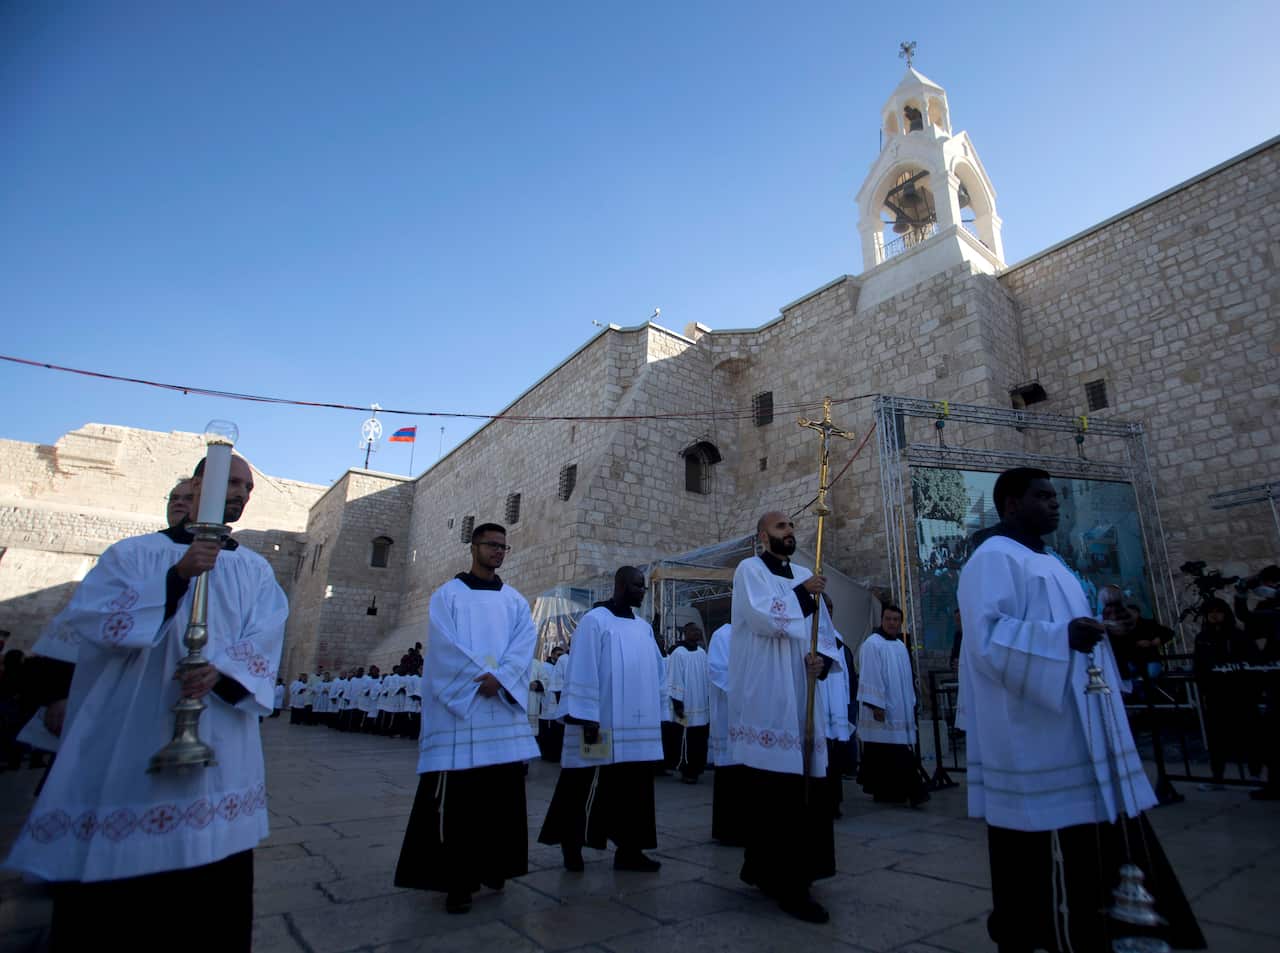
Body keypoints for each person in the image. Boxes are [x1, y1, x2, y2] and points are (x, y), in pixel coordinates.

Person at [5, 453, 288, 953]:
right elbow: (93, 621)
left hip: (218, 728)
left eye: (248, 486)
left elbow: (266, 635)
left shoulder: (256, 569)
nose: (241, 493)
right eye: (232, 481)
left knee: (210, 874)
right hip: (132, 726)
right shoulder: (133, 555)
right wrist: (177, 577)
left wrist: (225, 670)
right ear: (197, 485)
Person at [957, 467, 1204, 952]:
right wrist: (1060, 638)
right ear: (1010, 504)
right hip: (1038, 736)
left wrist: (1118, 627)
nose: (1056, 504)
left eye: (1055, 496)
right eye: (1042, 496)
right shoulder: (991, 559)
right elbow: (985, 641)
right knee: (1042, 854)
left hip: (1085, 726)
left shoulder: (1053, 561)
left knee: (1097, 847)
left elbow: (1077, 629)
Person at [394, 523, 538, 914]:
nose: (499, 552)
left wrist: (504, 678)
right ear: (473, 546)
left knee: (501, 800)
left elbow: (525, 643)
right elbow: (444, 648)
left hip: (499, 710)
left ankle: (495, 867)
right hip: (463, 712)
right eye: (492, 545)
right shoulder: (448, 596)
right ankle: (457, 881)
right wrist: (482, 680)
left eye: (504, 547)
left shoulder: (514, 601)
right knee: (461, 803)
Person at [729, 511, 841, 924]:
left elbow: (824, 632)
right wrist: (802, 594)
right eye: (781, 527)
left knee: (803, 787)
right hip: (768, 694)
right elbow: (761, 618)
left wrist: (822, 662)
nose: (789, 532)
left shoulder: (802, 575)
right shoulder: (749, 570)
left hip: (801, 689)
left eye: (792, 527)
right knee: (773, 791)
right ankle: (781, 879)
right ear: (763, 536)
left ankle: (789, 872)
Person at [538, 566, 666, 874]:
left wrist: (659, 713)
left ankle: (630, 850)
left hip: (637, 728)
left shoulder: (644, 627)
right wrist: (585, 714)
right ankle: (572, 846)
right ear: (620, 585)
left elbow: (657, 672)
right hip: (599, 723)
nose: (642, 591)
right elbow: (583, 667)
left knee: (634, 790)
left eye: (643, 587)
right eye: (637, 585)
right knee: (583, 784)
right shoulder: (595, 621)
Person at [856, 604, 927, 807]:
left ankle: (888, 792)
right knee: (890, 752)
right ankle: (914, 791)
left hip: (900, 708)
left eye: (896, 620)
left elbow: (906, 678)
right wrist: (876, 704)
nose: (892, 623)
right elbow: (870, 675)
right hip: (882, 708)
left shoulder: (900, 645)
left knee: (888, 754)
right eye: (889, 619)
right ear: (882, 620)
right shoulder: (872, 644)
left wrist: (911, 702)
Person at [1192, 598, 1259, 788]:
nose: (1214, 615)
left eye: (1218, 611)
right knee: (1216, 738)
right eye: (1210, 612)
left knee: (1250, 734)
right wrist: (1204, 686)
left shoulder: (1238, 636)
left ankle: (1254, 773)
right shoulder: (1203, 638)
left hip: (1241, 692)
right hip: (1216, 694)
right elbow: (1200, 664)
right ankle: (1218, 776)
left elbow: (1251, 660)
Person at [707, 621, 746, 845]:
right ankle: (728, 831)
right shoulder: (722, 635)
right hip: (729, 715)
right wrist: (748, 689)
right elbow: (717, 671)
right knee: (731, 773)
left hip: (751, 716)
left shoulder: (754, 631)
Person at [817, 594, 853, 818]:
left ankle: (834, 801)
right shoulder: (808, 635)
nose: (828, 610)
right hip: (818, 700)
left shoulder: (837, 637)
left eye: (831, 607)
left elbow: (846, 675)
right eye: (824, 606)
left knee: (834, 757)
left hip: (835, 702)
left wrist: (846, 703)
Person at [667, 621, 711, 784]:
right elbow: (675, 678)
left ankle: (697, 768)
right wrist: (678, 704)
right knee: (685, 738)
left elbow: (707, 677)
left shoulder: (702, 653)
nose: (697, 633)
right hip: (685, 706)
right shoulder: (679, 653)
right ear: (685, 633)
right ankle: (686, 770)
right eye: (694, 630)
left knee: (699, 739)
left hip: (701, 704)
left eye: (699, 630)